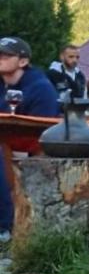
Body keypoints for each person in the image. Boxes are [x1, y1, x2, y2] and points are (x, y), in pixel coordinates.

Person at [0, 37, 60, 241]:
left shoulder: (41, 88)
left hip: (31, 152)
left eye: (5, 55)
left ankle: (4, 227)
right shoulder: (2, 84)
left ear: (23, 61)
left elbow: (43, 131)